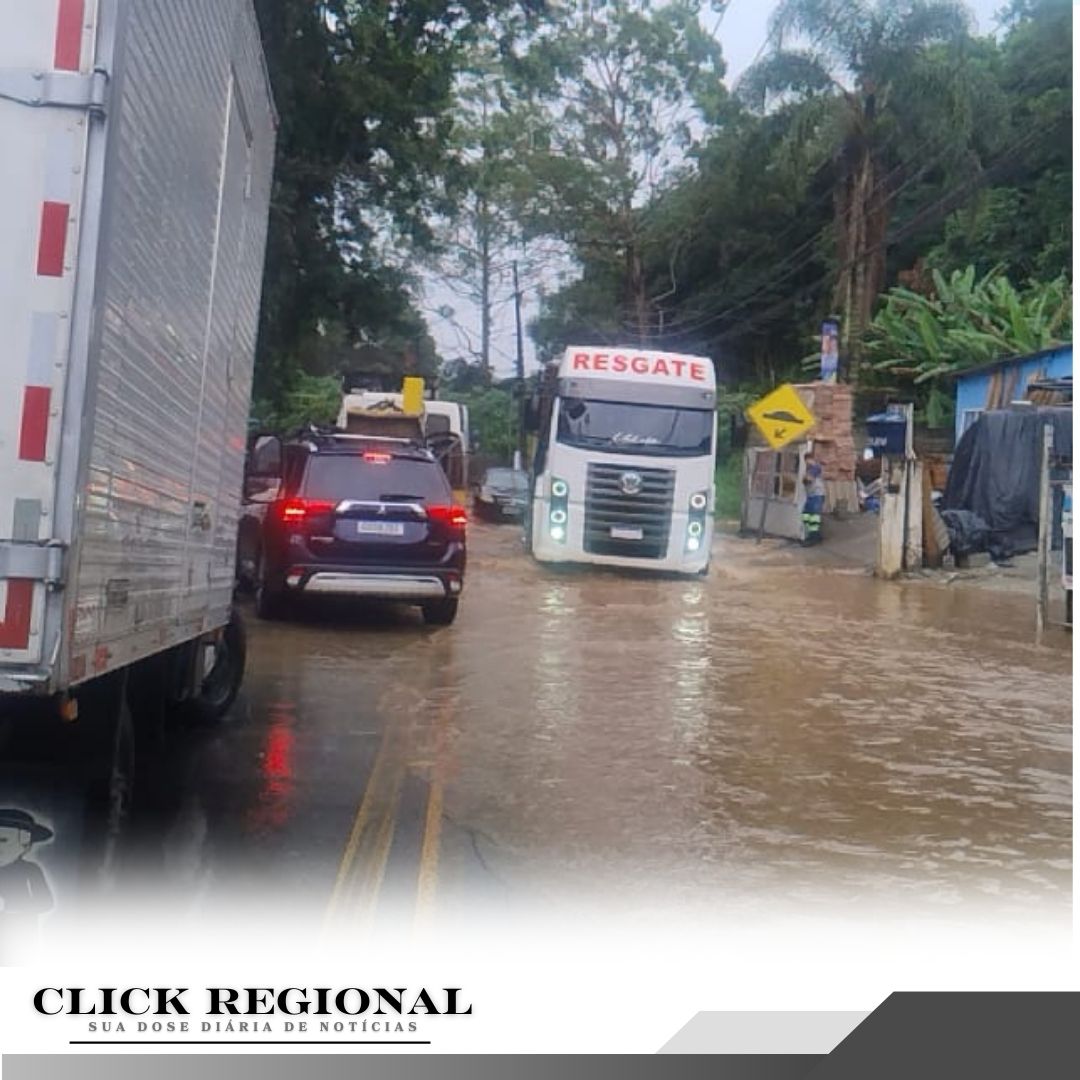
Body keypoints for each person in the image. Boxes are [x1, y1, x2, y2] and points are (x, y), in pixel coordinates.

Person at [801, 451, 825, 546]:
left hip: (817, 495)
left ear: (811, 459)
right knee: (806, 515)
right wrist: (805, 478)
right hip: (811, 495)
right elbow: (805, 480)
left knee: (814, 517)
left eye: (807, 460)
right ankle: (816, 535)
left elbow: (808, 479)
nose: (807, 463)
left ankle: (813, 538)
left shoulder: (815, 467)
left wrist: (805, 478)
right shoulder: (809, 469)